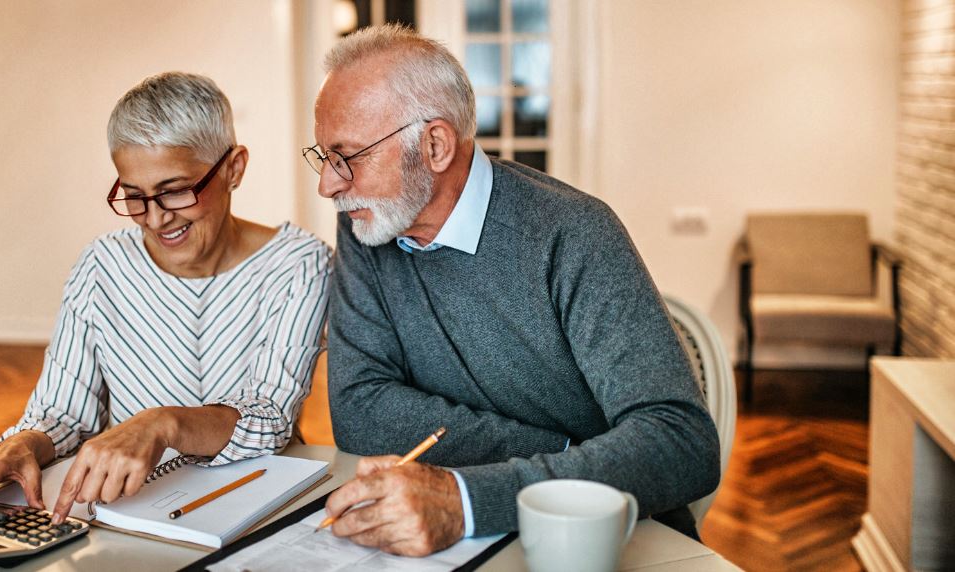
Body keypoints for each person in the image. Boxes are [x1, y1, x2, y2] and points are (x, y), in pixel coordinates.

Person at [304, 24, 719, 557]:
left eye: (348, 157)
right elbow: (361, 411)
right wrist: (566, 456)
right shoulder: (368, 226)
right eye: (322, 157)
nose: (328, 185)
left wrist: (468, 497)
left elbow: (680, 443)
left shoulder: (573, 233)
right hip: (461, 535)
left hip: (605, 541)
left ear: (434, 145)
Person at [0, 72, 331, 528]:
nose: (156, 219)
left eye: (175, 190)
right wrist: (19, 445)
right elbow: (63, 411)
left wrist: (162, 424)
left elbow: (269, 417)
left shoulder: (299, 264)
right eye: (135, 196)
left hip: (256, 503)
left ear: (234, 168)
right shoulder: (102, 265)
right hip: (129, 509)